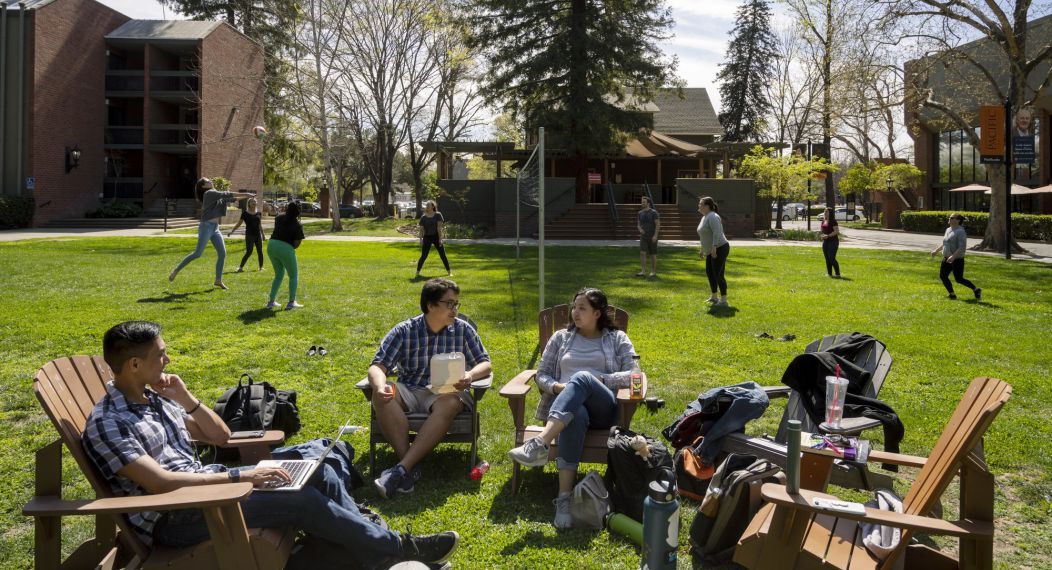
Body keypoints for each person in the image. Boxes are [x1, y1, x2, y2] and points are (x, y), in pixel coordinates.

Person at [82, 321, 460, 568]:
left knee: (322, 472)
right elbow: (161, 485)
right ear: (133, 365)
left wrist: (185, 396)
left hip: (210, 490)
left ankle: (372, 554)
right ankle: (399, 549)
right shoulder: (110, 422)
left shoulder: (156, 400)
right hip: (179, 515)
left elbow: (219, 437)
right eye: (160, 354)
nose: (167, 359)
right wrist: (242, 475)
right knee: (300, 498)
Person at [507, 288, 637, 528]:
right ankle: (564, 500)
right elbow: (542, 374)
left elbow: (634, 374)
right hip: (566, 410)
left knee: (583, 377)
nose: (575, 312)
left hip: (603, 410)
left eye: (582, 308)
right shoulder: (561, 338)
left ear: (597, 313)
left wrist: (600, 380)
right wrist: (557, 388)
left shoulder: (616, 339)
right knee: (575, 413)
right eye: (574, 307)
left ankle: (541, 443)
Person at [368, 278, 491, 498]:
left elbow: (485, 362)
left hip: (445, 392)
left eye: (456, 304)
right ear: (431, 305)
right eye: (449, 303)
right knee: (384, 395)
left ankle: (401, 469)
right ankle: (406, 467)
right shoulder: (405, 331)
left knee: (451, 402)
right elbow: (378, 366)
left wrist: (470, 374)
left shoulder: (463, 330)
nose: (454, 309)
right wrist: (379, 386)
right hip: (410, 389)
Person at [169, 178, 255, 289]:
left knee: (222, 253)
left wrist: (247, 197)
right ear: (204, 187)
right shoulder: (209, 193)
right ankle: (176, 270)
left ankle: (218, 280)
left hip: (215, 228)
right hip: (206, 227)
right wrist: (246, 194)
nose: (211, 181)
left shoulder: (215, 196)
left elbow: (230, 198)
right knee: (197, 254)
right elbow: (226, 194)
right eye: (208, 181)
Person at [930, 212, 981, 301]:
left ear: (958, 221)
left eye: (952, 217)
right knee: (943, 276)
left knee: (959, 279)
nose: (949, 219)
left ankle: (976, 289)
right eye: (950, 217)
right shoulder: (948, 229)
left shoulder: (960, 232)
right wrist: (936, 251)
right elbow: (945, 243)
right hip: (946, 258)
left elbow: (962, 247)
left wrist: (953, 257)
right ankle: (952, 294)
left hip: (957, 259)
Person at [267, 201, 305, 310]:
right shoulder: (297, 224)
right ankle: (291, 302)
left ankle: (271, 301)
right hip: (286, 247)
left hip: (271, 245)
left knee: (279, 275)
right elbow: (296, 244)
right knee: (293, 276)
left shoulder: (278, 218)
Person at [697, 196, 730, 306]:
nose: (699, 206)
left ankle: (724, 300)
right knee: (710, 273)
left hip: (720, 247)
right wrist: (702, 249)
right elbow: (704, 235)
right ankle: (714, 297)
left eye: (700, 204)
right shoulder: (704, 217)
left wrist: (714, 247)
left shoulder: (712, 216)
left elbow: (717, 232)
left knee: (718, 274)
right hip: (711, 250)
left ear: (707, 206)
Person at [228, 197, 266, 272]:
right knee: (249, 251)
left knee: (260, 251)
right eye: (252, 201)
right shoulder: (245, 213)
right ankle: (240, 267)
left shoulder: (259, 213)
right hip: (249, 235)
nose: (254, 202)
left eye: (255, 201)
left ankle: (261, 267)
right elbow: (239, 223)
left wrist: (263, 234)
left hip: (258, 235)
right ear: (249, 204)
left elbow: (259, 225)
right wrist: (232, 231)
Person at [416, 200, 451, 277]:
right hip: (427, 237)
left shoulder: (438, 215)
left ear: (433, 206)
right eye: (426, 205)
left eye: (428, 205)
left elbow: (439, 228)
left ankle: (449, 272)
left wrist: (440, 239)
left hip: (436, 237)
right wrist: (421, 239)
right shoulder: (423, 217)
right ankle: (417, 272)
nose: (427, 207)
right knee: (424, 256)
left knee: (443, 255)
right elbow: (421, 230)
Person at [636, 196, 661, 278]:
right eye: (642, 202)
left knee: (652, 254)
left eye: (644, 202)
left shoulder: (654, 213)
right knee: (642, 252)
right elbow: (638, 224)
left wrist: (655, 235)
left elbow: (657, 224)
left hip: (652, 236)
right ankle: (643, 271)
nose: (642, 203)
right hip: (643, 236)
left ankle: (653, 272)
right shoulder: (640, 213)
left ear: (648, 203)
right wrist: (640, 229)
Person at [820, 207, 842, 278]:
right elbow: (822, 230)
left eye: (827, 212)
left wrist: (828, 236)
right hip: (825, 241)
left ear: (830, 213)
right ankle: (829, 274)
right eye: (824, 211)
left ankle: (838, 274)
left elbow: (836, 231)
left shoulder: (833, 221)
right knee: (827, 258)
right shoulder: (824, 221)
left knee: (831, 258)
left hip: (833, 242)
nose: (825, 213)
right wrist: (822, 235)